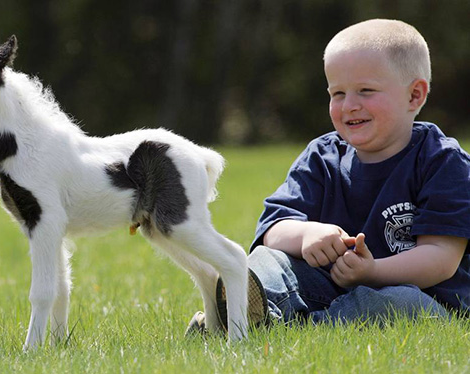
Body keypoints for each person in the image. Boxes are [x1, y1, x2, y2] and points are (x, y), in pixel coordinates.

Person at [187, 19, 470, 335]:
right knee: (268, 260)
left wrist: (372, 271)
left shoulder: (441, 161)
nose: (349, 105)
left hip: (422, 296)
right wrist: (307, 234)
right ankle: (239, 314)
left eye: (365, 90)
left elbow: (441, 258)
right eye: (337, 93)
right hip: (330, 286)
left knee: (397, 302)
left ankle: (286, 328)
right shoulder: (322, 156)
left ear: (414, 95)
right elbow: (273, 229)